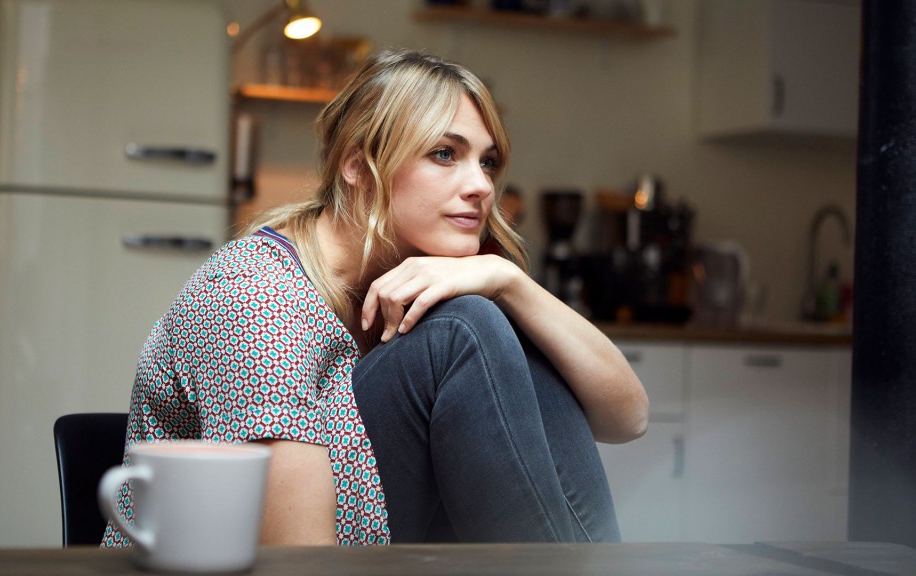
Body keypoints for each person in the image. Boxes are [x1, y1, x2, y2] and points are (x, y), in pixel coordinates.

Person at [102, 49, 647, 547]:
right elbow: (301, 559)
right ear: (358, 165)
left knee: (501, 323)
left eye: (487, 162)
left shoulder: (440, 282)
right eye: (443, 153)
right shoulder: (257, 298)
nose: (481, 185)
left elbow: (628, 418)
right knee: (467, 326)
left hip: (380, 552)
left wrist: (509, 283)